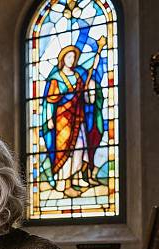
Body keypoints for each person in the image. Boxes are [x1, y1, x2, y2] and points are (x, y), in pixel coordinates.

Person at [41, 44, 104, 197]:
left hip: (78, 118)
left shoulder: (77, 77)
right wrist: (49, 118)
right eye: (69, 57)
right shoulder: (56, 79)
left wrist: (90, 87)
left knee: (79, 149)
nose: (72, 60)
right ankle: (63, 182)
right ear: (63, 59)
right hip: (62, 120)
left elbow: (86, 99)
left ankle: (76, 179)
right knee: (64, 150)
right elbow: (50, 101)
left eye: (73, 57)